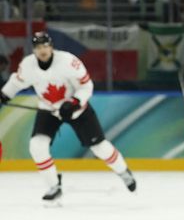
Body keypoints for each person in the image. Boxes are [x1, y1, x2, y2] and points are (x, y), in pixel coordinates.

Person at [0, 32, 136, 205]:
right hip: (48, 109)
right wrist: (3, 96)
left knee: (100, 148)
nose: (42, 50)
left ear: (51, 47)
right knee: (37, 146)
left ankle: (123, 172)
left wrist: (74, 102)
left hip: (77, 110)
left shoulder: (68, 62)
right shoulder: (27, 65)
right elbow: (16, 83)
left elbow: (87, 86)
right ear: (34, 50)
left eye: (45, 46)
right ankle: (54, 186)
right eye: (38, 47)